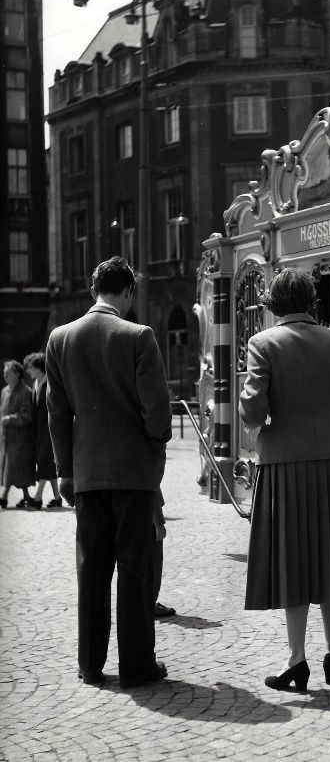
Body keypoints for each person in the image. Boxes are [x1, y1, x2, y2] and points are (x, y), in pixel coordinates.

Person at [239, 268, 330, 692]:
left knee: (294, 562)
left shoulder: (262, 344)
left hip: (284, 463)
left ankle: (296, 659)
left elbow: (251, 411)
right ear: (311, 301)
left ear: (273, 304)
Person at [46, 257, 172, 688]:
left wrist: (65, 470)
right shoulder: (138, 336)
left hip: (87, 473)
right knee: (134, 573)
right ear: (129, 291)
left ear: (92, 289)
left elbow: (57, 414)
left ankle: (91, 664)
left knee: (92, 572)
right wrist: (155, 456)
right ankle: (137, 666)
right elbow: (157, 410)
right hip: (133, 473)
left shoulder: (60, 339)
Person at [23, 353, 62, 509]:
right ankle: (57, 498)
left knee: (44, 461)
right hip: (39, 431)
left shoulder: (50, 384)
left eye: (30, 367)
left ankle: (38, 498)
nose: (28, 371)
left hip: (49, 430)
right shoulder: (36, 384)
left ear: (39, 368)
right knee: (47, 464)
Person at [0, 360, 36, 509]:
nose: (5, 375)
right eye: (4, 372)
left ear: (17, 373)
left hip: (21, 439)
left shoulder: (25, 392)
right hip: (6, 438)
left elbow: (27, 415)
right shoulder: (4, 391)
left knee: (15, 469)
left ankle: (3, 498)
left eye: (8, 372)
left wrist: (10, 419)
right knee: (13, 469)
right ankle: (26, 497)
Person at [152, 490, 176, 619]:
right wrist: (159, 522)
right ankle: (149, 603)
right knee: (153, 563)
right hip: (146, 518)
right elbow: (149, 485)